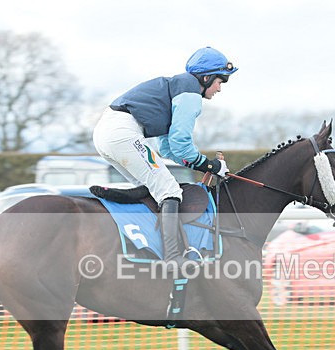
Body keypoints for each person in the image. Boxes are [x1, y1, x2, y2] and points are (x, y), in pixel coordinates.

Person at [93, 46, 237, 269]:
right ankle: (172, 257)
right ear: (206, 78)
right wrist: (210, 165)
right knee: (169, 190)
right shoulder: (190, 93)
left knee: (152, 188)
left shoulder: (176, 89)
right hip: (122, 133)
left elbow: (169, 150)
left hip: (107, 133)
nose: (220, 88)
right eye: (220, 81)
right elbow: (181, 142)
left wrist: (200, 165)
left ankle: (143, 241)